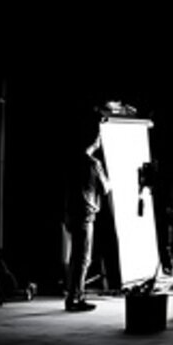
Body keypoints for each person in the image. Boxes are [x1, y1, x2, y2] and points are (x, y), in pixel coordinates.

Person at [59, 112, 110, 313]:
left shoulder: (71, 160)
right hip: (85, 214)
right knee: (83, 258)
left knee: (75, 257)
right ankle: (75, 297)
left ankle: (73, 294)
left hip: (70, 213)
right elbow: (106, 188)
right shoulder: (93, 164)